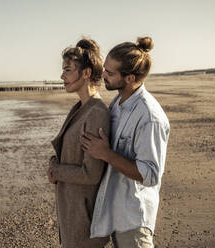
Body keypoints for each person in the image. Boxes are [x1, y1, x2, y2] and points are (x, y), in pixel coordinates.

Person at [81, 37, 170, 248]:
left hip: (133, 219)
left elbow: (150, 175)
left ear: (130, 78)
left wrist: (106, 153)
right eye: (105, 69)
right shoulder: (118, 103)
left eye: (110, 73)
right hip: (114, 211)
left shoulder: (150, 117)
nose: (103, 76)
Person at [47, 38, 110, 248]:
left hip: (84, 220)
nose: (62, 76)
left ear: (86, 73)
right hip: (71, 212)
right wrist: (53, 165)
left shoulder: (97, 113)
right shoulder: (80, 107)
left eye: (67, 70)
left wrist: (57, 171)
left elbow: (91, 173)